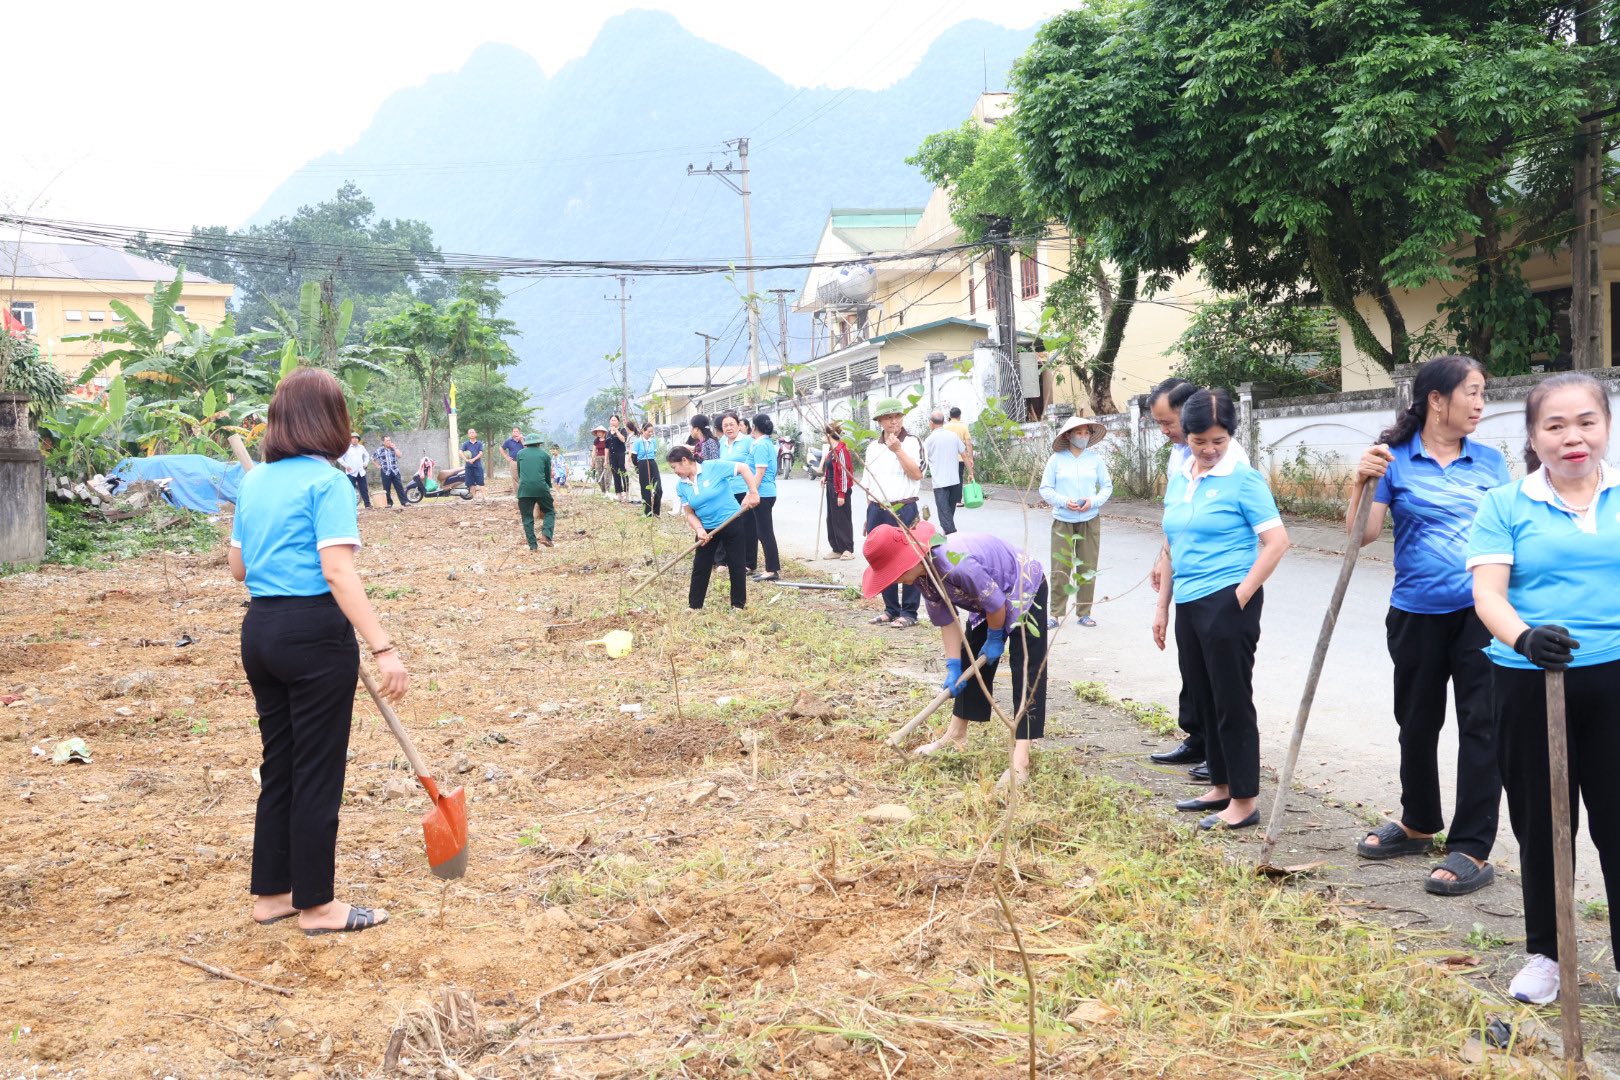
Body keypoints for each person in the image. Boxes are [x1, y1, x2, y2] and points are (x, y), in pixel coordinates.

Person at [228, 367, 407, 936]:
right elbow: (336, 570)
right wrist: (384, 647)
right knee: (317, 770)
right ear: (332, 420)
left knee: (280, 764)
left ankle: (272, 896)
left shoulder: (255, 482)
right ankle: (317, 905)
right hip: (313, 634)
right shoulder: (326, 483)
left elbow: (238, 568)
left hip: (261, 630)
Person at [1466, 372, 1620, 1005]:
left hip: (1614, 679)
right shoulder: (1505, 504)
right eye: (1554, 426)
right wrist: (1524, 637)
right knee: (1544, 823)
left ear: (1605, 425)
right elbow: (1487, 594)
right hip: (1532, 682)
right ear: (1533, 437)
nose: (1572, 437)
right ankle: (1548, 954)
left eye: (1585, 421)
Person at [1346, 355, 1506, 896]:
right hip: (1415, 611)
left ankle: (1472, 846)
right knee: (1416, 721)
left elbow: (1508, 539)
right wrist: (1359, 483)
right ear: (1437, 399)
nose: (1481, 404)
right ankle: (1417, 822)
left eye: (1484, 394)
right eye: (1474, 393)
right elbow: (1362, 535)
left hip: (1482, 614)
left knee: (1482, 726)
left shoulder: (1491, 463)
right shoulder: (1394, 460)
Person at [1151, 388, 1290, 830]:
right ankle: (1222, 785)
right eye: (1200, 441)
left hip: (1228, 599)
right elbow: (1173, 545)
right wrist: (1162, 607)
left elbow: (1277, 542)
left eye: (1218, 440)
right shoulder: (1180, 477)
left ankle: (1244, 800)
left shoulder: (1243, 479)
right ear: (1185, 436)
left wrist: (1241, 596)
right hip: (1190, 602)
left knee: (1232, 699)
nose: (1209, 450)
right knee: (1205, 697)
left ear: (1231, 435)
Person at [863, 522, 1047, 789]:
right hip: (986, 598)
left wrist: (996, 638)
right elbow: (947, 621)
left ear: (910, 560)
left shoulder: (954, 563)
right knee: (970, 654)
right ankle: (956, 734)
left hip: (1021, 585)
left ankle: (1021, 759)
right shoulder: (923, 576)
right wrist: (953, 665)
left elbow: (996, 605)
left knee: (1027, 666)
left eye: (895, 573)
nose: (895, 580)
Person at [1146, 377, 1251, 777]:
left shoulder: (1229, 460)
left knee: (1222, 679)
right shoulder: (1181, 454)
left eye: (1166, 421)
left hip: (1221, 583)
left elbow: (1270, 537)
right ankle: (1199, 739)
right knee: (1193, 667)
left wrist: (1240, 593)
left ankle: (1223, 759)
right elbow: (1179, 517)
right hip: (1188, 578)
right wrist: (1163, 557)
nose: (1165, 430)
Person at [1039, 416, 1112, 629]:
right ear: (1068, 436)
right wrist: (1063, 502)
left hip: (1090, 519)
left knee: (1088, 566)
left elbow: (1106, 486)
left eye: (1086, 433)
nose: (1083, 437)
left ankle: (1084, 611)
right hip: (1063, 520)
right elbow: (1045, 489)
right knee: (1060, 567)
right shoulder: (1056, 460)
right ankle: (1055, 613)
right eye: (1078, 433)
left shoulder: (1095, 460)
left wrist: (1093, 502)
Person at [667, 445, 761, 611]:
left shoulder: (713, 467)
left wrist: (752, 492)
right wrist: (699, 530)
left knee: (736, 564)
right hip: (707, 530)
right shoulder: (681, 486)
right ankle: (694, 606)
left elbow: (743, 468)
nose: (675, 472)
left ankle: (737, 605)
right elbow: (689, 513)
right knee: (700, 566)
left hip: (731, 522)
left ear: (684, 460)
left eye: (674, 467)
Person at [861, 399, 926, 627]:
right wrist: (868, 514)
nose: (894, 421)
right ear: (879, 421)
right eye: (888, 417)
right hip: (877, 509)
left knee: (910, 559)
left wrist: (897, 450)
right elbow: (868, 483)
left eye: (898, 416)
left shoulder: (912, 442)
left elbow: (917, 474)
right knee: (881, 558)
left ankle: (909, 613)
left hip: (904, 506)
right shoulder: (872, 447)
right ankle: (890, 609)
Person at [719, 412, 760, 572]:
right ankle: (732, 560)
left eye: (731, 424)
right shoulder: (722, 442)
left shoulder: (748, 441)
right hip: (727, 491)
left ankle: (749, 563)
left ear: (738, 425)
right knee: (730, 527)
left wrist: (753, 489)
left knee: (748, 527)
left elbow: (756, 465)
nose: (729, 428)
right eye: (725, 425)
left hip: (744, 490)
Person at [922, 410, 968, 533]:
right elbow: (964, 455)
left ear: (931, 423)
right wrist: (971, 473)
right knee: (949, 512)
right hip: (954, 481)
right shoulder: (953, 436)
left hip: (940, 483)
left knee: (944, 515)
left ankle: (953, 538)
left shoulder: (928, 440)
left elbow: (923, 461)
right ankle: (949, 536)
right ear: (943, 421)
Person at [749, 413, 782, 581]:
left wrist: (752, 492)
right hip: (765, 492)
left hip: (763, 493)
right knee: (763, 531)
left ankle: (772, 569)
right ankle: (771, 567)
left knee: (765, 532)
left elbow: (760, 473)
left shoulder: (762, 445)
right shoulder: (764, 443)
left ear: (754, 427)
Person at [515, 434, 555, 550]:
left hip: (524, 490)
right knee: (549, 511)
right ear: (539, 443)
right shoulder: (545, 455)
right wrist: (548, 486)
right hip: (541, 488)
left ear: (526, 443)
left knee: (527, 517)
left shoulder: (520, 454)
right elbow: (547, 474)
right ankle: (546, 536)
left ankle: (533, 546)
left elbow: (520, 472)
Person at [822, 422, 855, 560]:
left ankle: (847, 549)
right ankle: (836, 548)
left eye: (824, 434)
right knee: (832, 519)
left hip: (840, 489)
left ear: (830, 434)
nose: (822, 437)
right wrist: (824, 477)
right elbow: (831, 468)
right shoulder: (831, 451)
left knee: (842, 519)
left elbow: (843, 473)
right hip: (830, 487)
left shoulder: (841, 450)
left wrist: (841, 494)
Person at [945, 406, 974, 506]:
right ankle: (957, 500)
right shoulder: (963, 427)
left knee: (948, 478)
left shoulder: (945, 427)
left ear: (950, 416)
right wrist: (970, 458)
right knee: (959, 478)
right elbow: (968, 443)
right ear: (959, 416)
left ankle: (948, 499)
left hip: (947, 458)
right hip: (961, 458)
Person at [633, 421, 663, 516]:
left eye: (652, 432)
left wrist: (650, 462)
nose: (650, 434)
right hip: (642, 464)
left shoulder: (653, 441)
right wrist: (638, 467)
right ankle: (648, 512)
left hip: (652, 463)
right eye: (648, 432)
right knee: (645, 489)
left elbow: (654, 453)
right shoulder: (638, 442)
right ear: (643, 431)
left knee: (658, 488)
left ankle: (656, 511)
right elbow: (634, 457)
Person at [338, 433, 371, 509]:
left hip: (361, 472)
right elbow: (339, 458)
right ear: (350, 439)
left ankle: (367, 505)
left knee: (364, 488)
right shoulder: (346, 448)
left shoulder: (361, 447)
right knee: (350, 489)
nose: (354, 439)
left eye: (356, 438)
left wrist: (365, 463)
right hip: (351, 473)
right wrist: (346, 466)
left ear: (358, 440)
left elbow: (367, 455)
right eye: (353, 438)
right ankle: (349, 506)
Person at [374, 435, 407, 509]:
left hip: (395, 471)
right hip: (385, 472)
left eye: (390, 440)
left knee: (399, 487)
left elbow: (400, 455)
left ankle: (404, 502)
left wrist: (394, 448)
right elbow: (372, 458)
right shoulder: (380, 450)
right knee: (386, 489)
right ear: (383, 442)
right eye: (387, 441)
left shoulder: (393, 448)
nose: (389, 442)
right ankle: (389, 503)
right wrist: (377, 465)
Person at [607, 415, 631, 501]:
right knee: (615, 474)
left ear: (618, 422)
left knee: (623, 474)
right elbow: (607, 446)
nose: (612, 422)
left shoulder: (622, 430)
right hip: (612, 456)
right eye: (611, 420)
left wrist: (616, 430)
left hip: (621, 455)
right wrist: (606, 459)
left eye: (614, 420)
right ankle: (619, 494)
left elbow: (623, 440)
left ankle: (627, 493)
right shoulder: (608, 432)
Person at [460, 428, 485, 495]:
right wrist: (466, 460)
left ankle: (485, 498)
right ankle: (473, 498)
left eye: (473, 432)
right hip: (469, 466)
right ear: (468, 435)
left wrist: (474, 459)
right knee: (471, 484)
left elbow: (481, 453)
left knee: (481, 482)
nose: (472, 434)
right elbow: (460, 452)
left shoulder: (479, 443)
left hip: (478, 466)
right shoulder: (465, 444)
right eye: (470, 433)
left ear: (476, 434)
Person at [501, 426, 524, 491]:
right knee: (514, 477)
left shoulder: (524, 439)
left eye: (517, 431)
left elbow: (527, 448)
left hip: (523, 461)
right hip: (513, 461)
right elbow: (501, 448)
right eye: (514, 431)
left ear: (520, 432)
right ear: (512, 433)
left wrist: (521, 439)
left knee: (524, 476)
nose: (515, 433)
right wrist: (506, 457)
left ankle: (525, 492)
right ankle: (518, 493)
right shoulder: (508, 441)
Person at [590, 424, 610, 491]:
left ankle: (607, 490)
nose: (598, 433)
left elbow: (608, 450)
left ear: (603, 432)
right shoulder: (596, 441)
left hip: (606, 458)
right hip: (598, 459)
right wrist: (592, 461)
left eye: (599, 432)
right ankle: (603, 491)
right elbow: (594, 451)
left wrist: (606, 460)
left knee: (607, 475)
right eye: (597, 432)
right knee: (599, 475)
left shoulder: (607, 440)